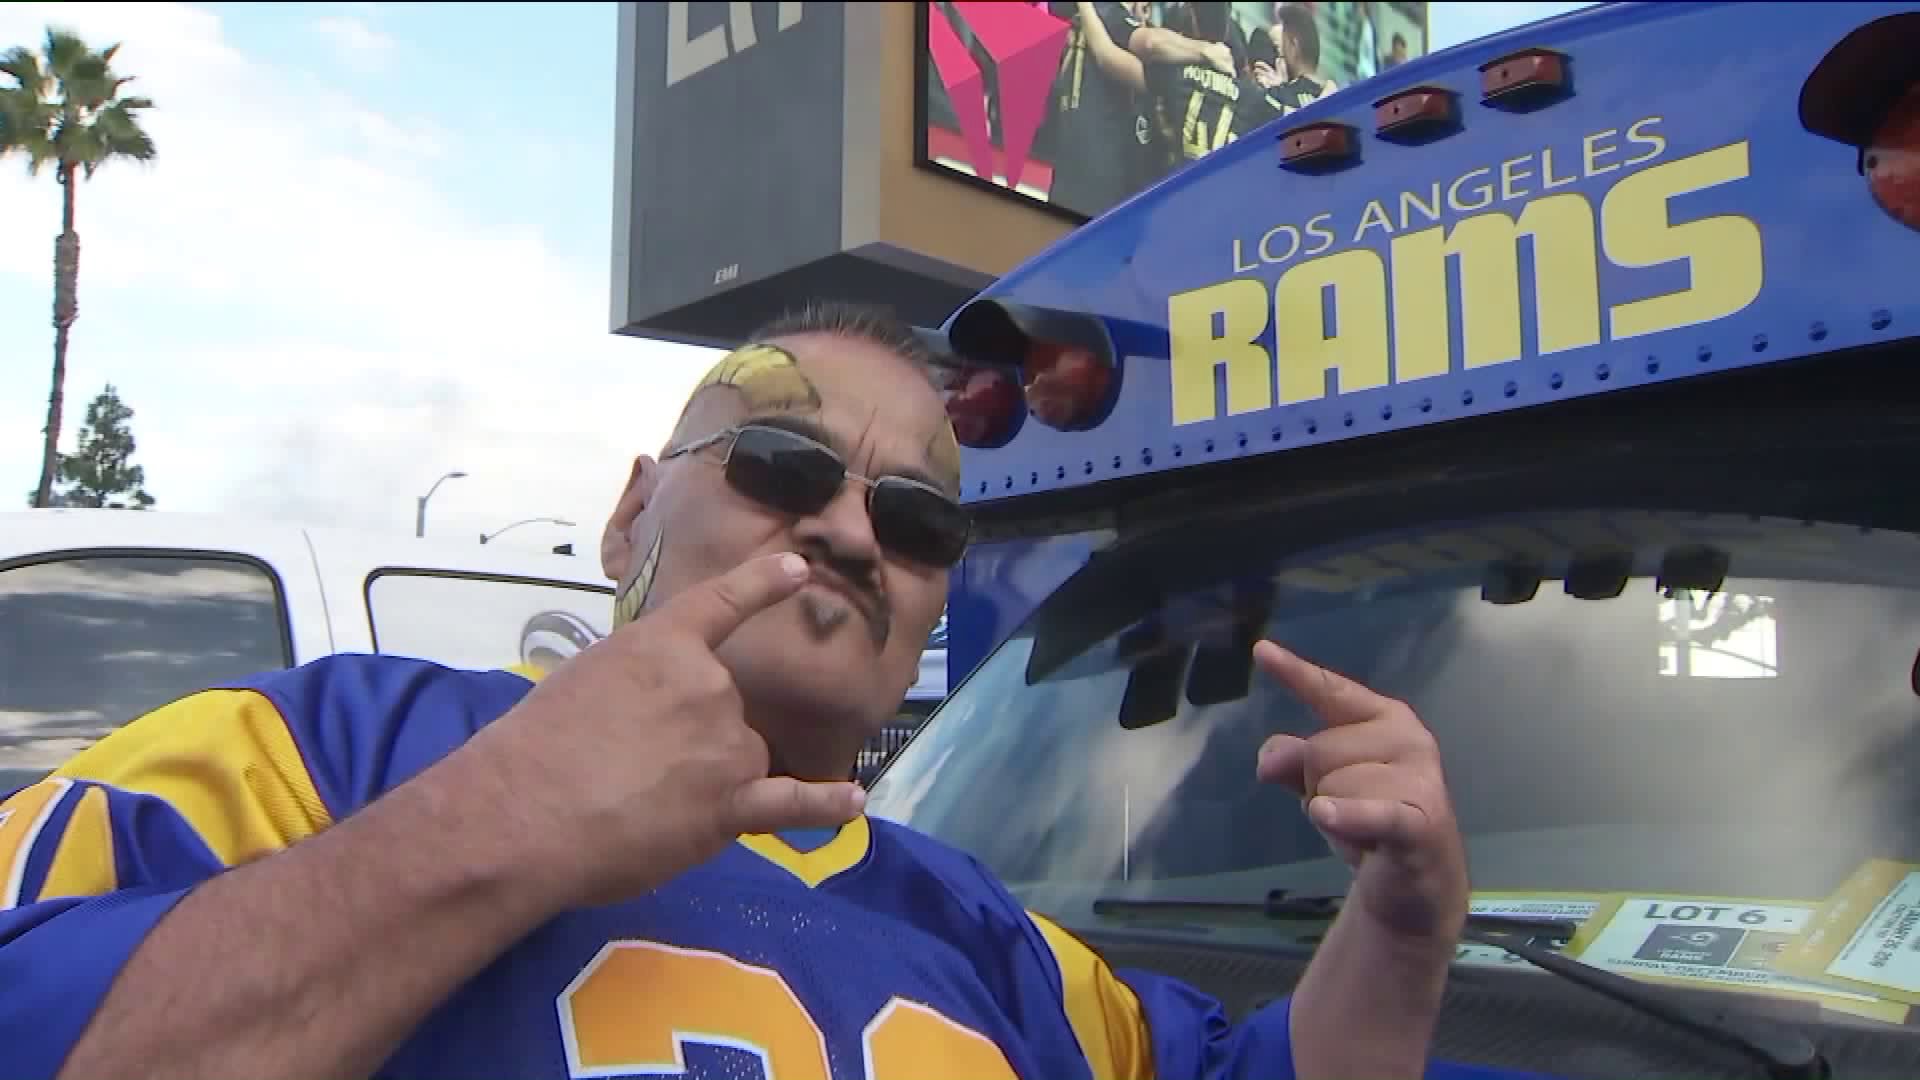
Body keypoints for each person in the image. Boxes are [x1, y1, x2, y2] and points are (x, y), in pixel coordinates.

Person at [0, 301, 1547, 1080]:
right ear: (626, 516)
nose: (850, 527)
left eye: (920, 516)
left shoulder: (992, 937)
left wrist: (1403, 930)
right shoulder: (310, 748)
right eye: (783, 462)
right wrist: (508, 818)